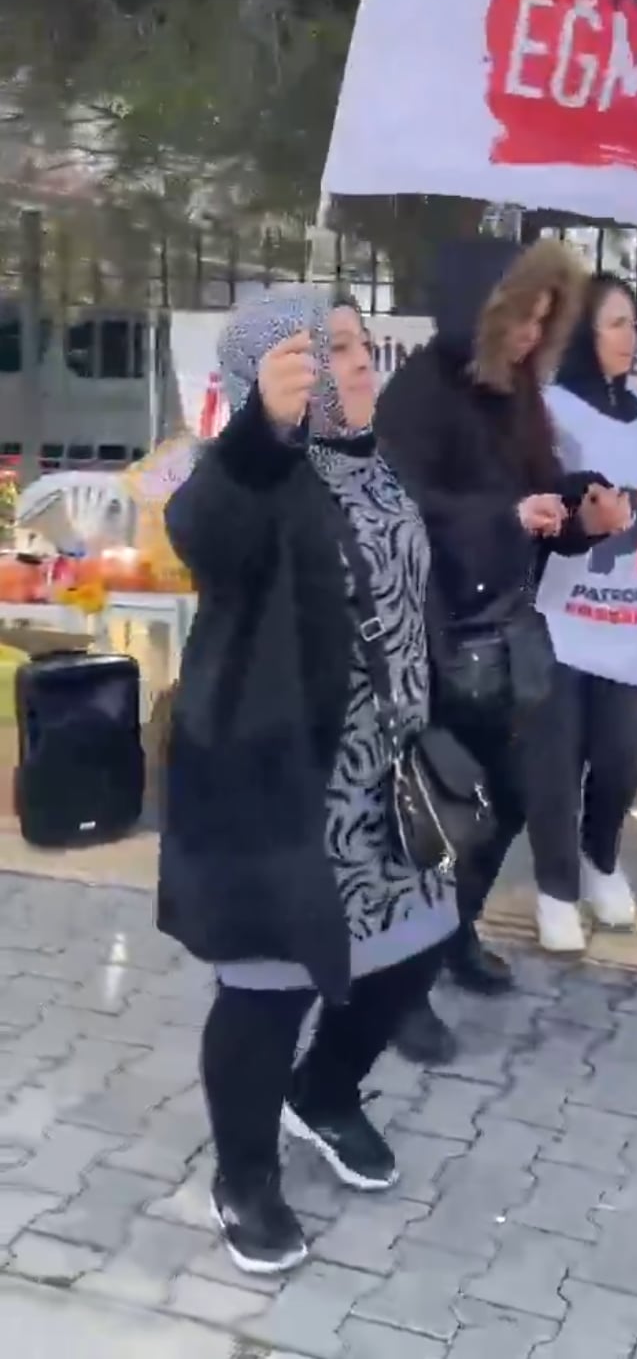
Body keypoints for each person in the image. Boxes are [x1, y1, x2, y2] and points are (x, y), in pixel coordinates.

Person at [158, 286, 457, 1276]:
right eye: (330, 349)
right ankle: (244, 1176)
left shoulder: (376, 462)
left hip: (386, 775)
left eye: (361, 343)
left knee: (413, 951)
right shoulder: (254, 476)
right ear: (270, 375)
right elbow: (203, 529)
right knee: (267, 990)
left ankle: (323, 1093)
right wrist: (260, 435)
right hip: (280, 780)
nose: (359, 362)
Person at [376, 237, 629, 1062]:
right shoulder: (417, 392)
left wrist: (580, 512)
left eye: (544, 322)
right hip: (430, 635)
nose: (530, 336)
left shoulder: (517, 390)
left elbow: (534, 498)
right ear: (481, 311)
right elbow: (400, 510)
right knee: (429, 815)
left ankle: (452, 931)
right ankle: (398, 991)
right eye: (520, 318)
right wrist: (506, 518)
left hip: (505, 635)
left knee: (515, 795)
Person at [532, 274, 637, 953]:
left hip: (631, 621)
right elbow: (537, 493)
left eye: (633, 323)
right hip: (561, 617)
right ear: (582, 331)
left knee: (625, 755)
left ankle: (599, 857)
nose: (628, 336)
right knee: (554, 764)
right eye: (614, 322)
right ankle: (554, 889)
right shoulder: (550, 409)